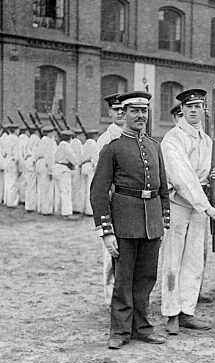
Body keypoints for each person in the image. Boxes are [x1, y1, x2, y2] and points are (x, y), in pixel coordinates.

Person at [90, 91, 170, 349]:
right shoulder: (112, 149)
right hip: (124, 221)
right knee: (123, 280)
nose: (140, 116)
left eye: (144, 111)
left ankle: (142, 328)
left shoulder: (154, 146)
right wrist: (106, 231)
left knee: (146, 278)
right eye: (134, 111)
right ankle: (120, 331)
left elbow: (162, 188)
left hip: (151, 222)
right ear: (123, 114)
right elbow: (99, 192)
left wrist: (162, 220)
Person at [159, 88, 215, 335]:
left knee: (194, 260)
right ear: (182, 110)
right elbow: (182, 176)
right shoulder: (173, 138)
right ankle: (171, 313)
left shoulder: (207, 140)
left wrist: (214, 176)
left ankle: (187, 311)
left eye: (198, 107)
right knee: (173, 259)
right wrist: (205, 206)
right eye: (190, 107)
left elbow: (205, 173)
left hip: (199, 208)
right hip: (179, 205)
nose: (194, 110)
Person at [97, 93, 125, 308]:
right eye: (116, 110)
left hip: (131, 202)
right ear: (109, 112)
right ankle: (111, 299)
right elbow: (101, 181)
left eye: (124, 109)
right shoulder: (106, 140)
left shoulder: (134, 135)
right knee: (111, 252)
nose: (121, 113)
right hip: (113, 199)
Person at [53, 130, 80, 220]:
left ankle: (57, 210)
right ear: (70, 138)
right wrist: (76, 163)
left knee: (58, 191)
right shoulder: (66, 146)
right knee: (66, 191)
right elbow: (74, 160)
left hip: (57, 168)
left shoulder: (59, 146)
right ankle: (66, 213)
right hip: (63, 170)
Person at [34, 126, 56, 215]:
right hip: (45, 164)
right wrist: (50, 171)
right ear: (49, 133)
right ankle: (46, 210)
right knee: (47, 188)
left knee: (40, 187)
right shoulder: (49, 142)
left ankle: (40, 207)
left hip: (39, 163)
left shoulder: (41, 140)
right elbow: (49, 157)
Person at [1, 123, 20, 208]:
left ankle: (7, 200)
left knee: (7, 181)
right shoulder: (16, 139)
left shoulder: (6, 139)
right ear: (16, 130)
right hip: (12, 160)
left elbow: (3, 153)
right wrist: (18, 166)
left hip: (7, 160)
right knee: (13, 182)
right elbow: (17, 155)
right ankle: (12, 202)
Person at [24, 132, 40, 212]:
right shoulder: (34, 146)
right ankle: (31, 206)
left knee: (29, 186)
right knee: (32, 186)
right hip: (31, 165)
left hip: (27, 163)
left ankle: (29, 205)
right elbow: (35, 156)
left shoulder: (28, 145)